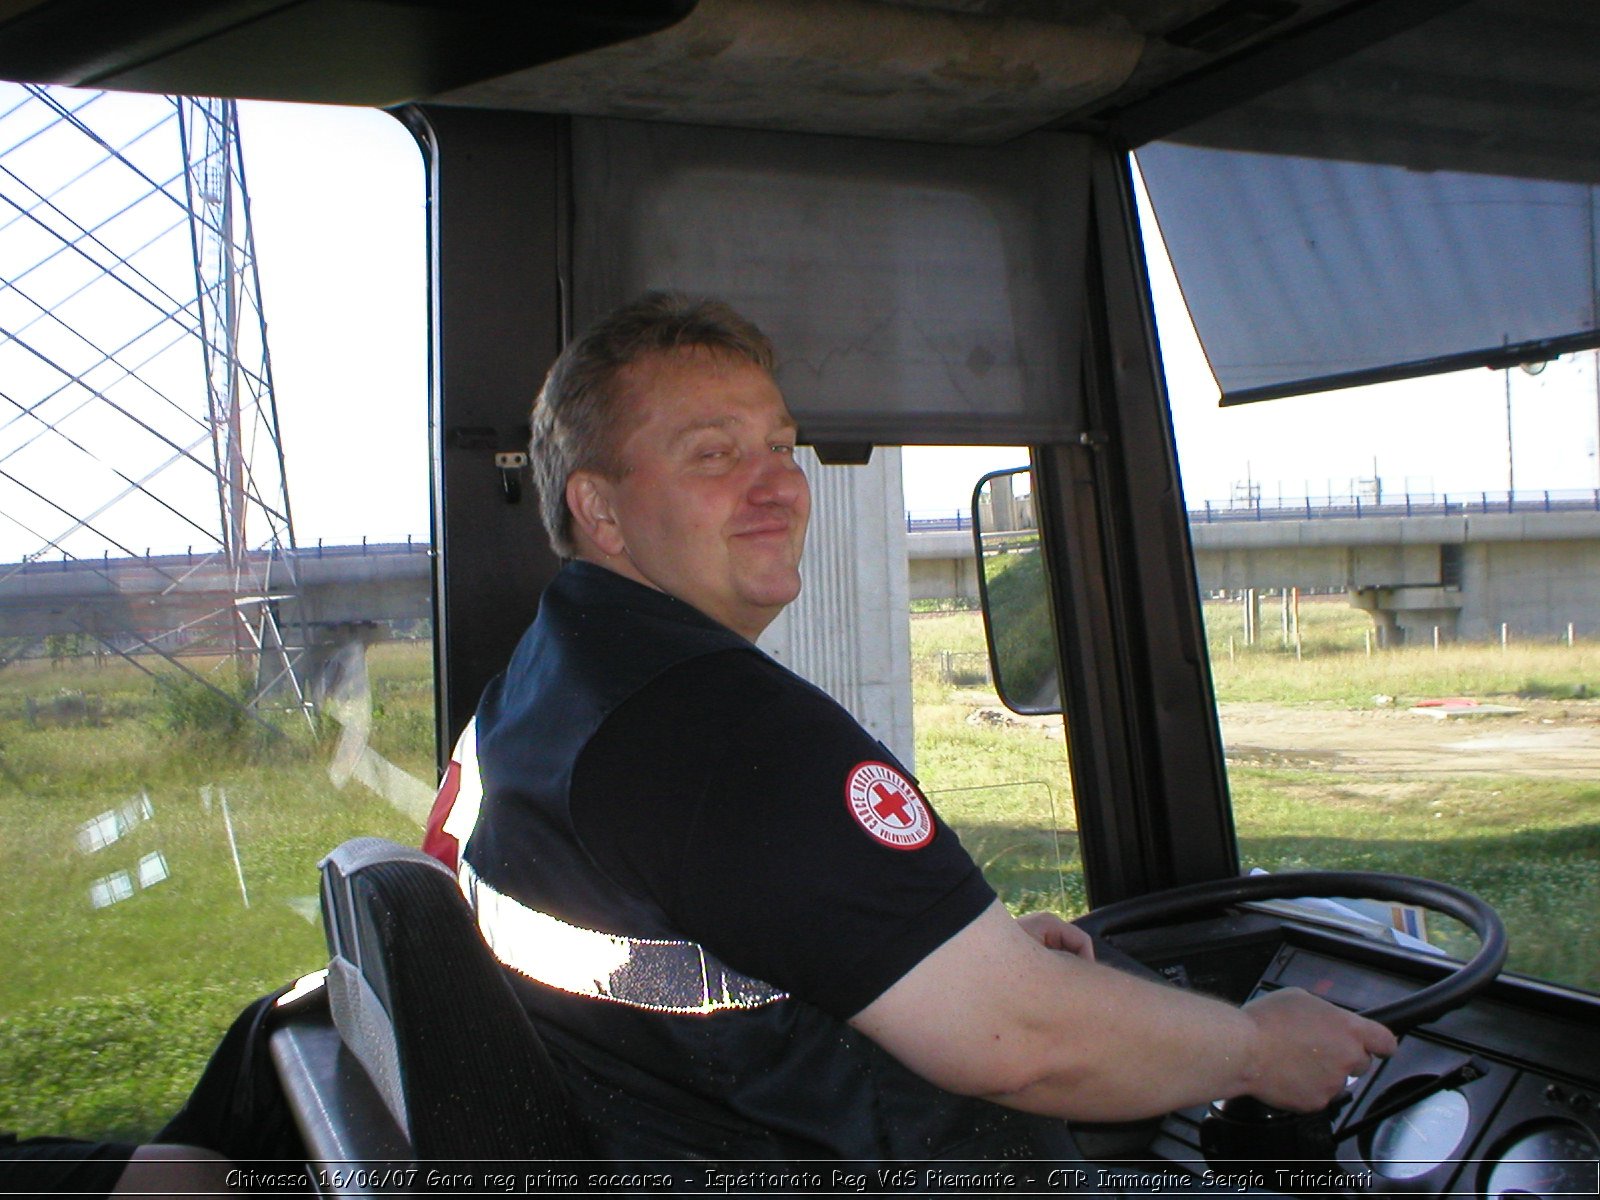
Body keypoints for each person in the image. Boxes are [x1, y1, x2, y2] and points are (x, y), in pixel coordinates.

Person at [423, 291, 1395, 1162]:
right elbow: (1020, 1042)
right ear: (600, 509)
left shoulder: (546, 684)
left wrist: (935, 956)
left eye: (779, 444)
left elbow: (697, 941)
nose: (779, 485)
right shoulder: (723, 733)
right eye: (714, 454)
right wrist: (1260, 1048)